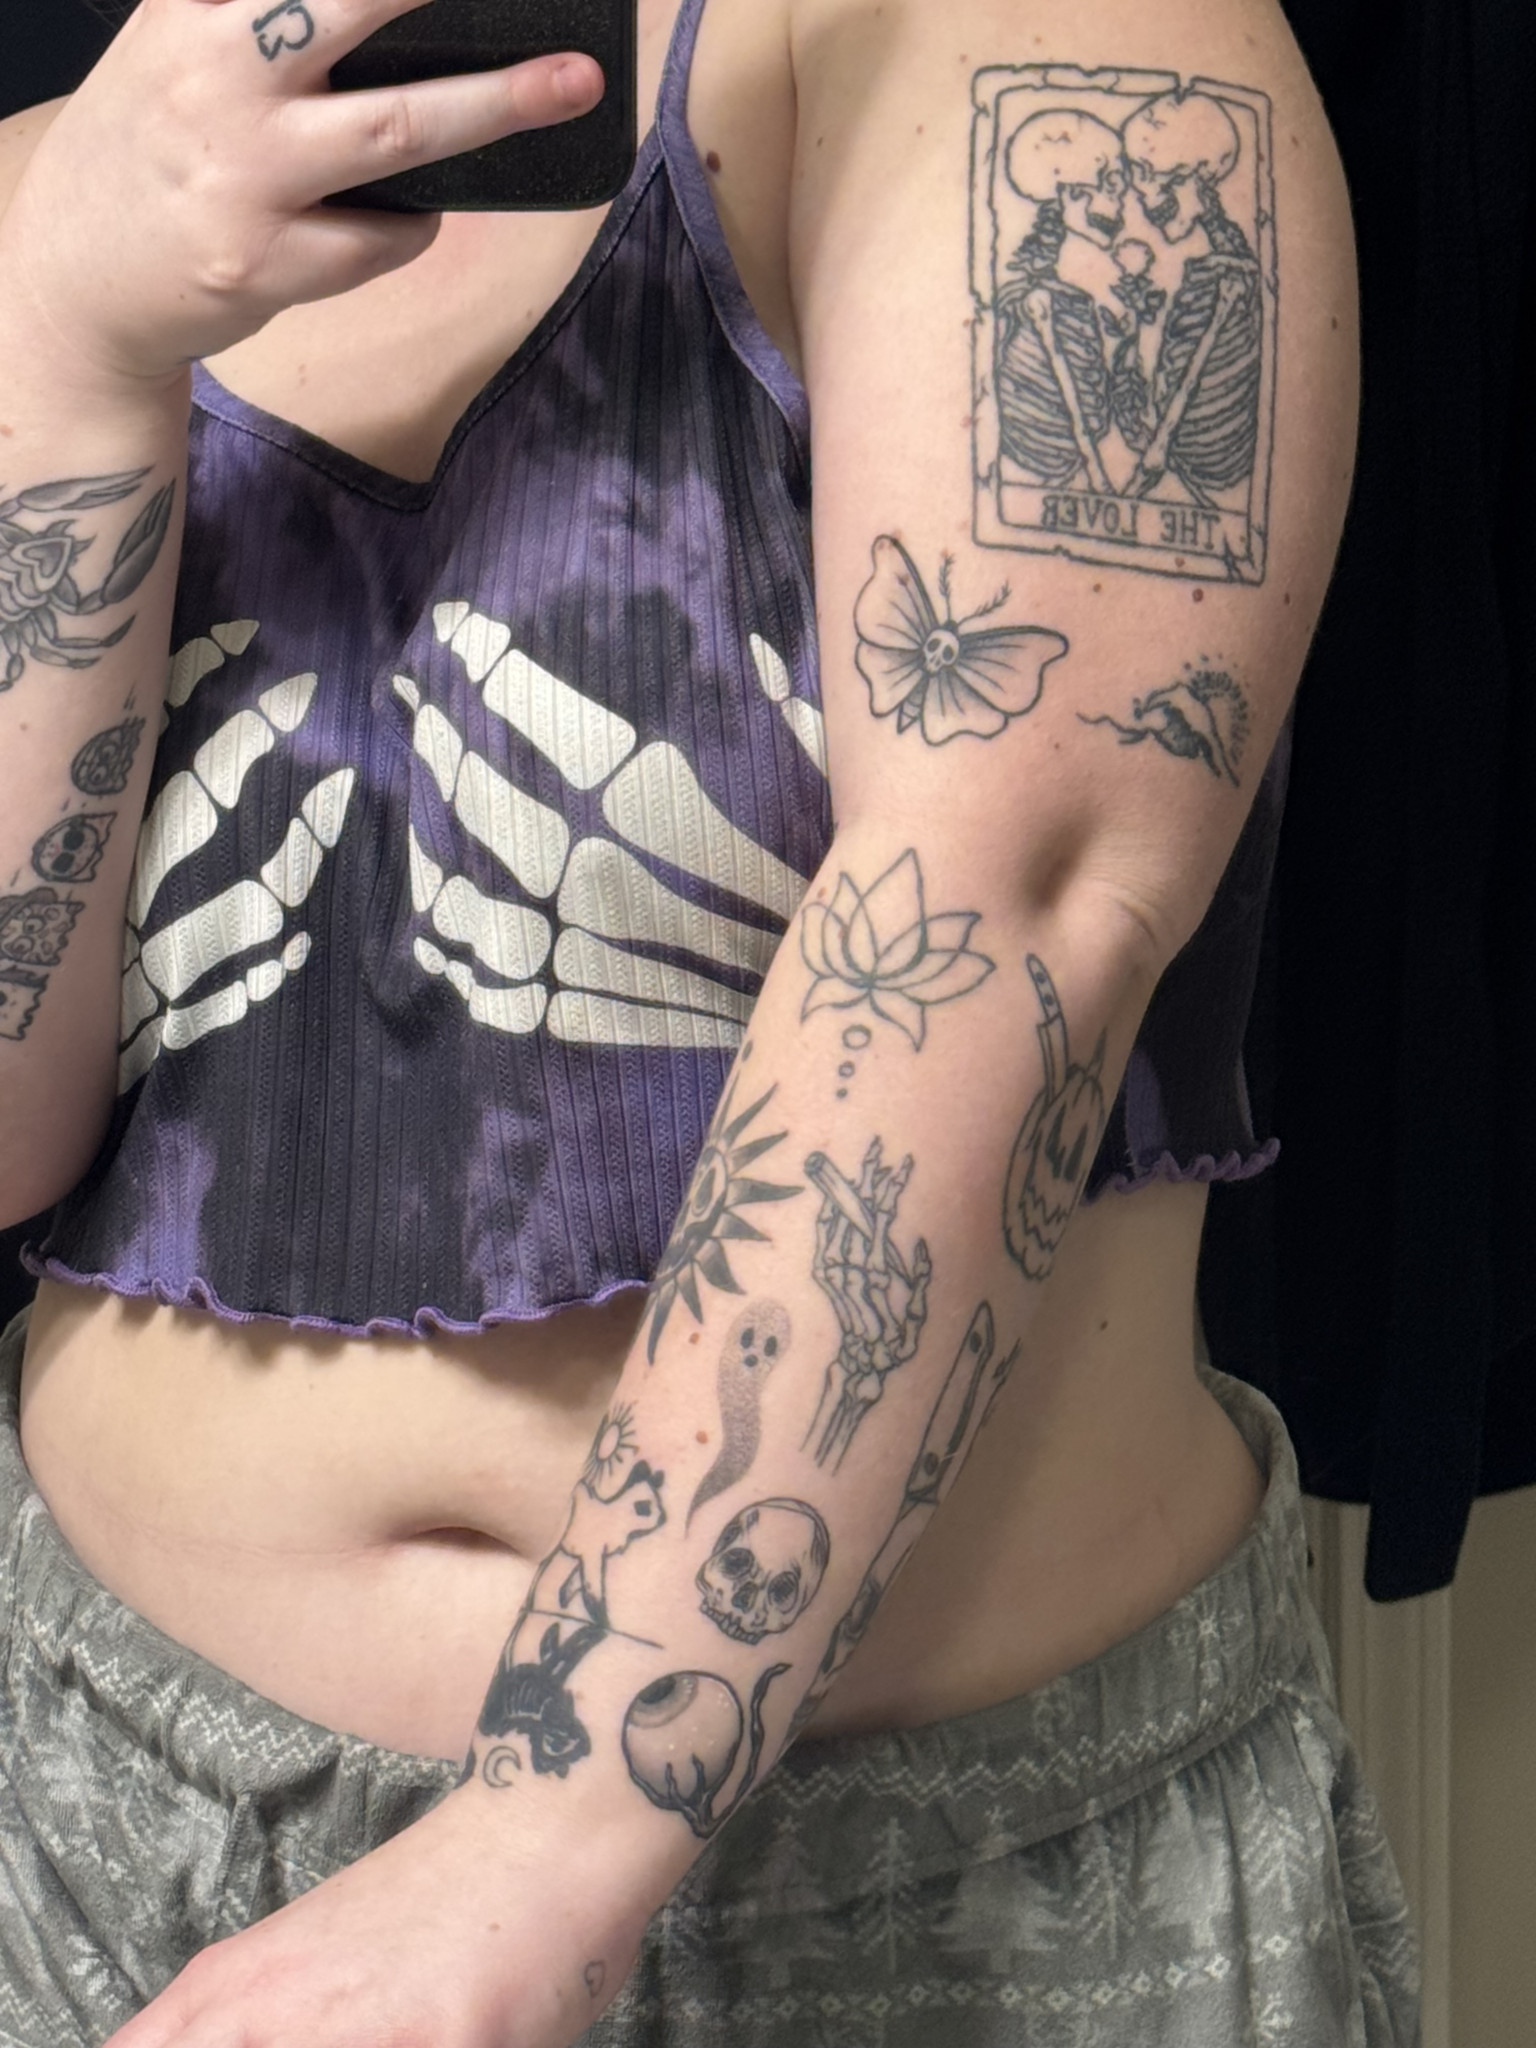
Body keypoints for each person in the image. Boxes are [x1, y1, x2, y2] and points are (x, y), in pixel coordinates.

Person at [0, 1, 1417, 2043]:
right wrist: (67, 339)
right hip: (100, 1816)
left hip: (918, 1904)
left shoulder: (1077, 60)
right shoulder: (83, 153)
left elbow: (1025, 899)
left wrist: (535, 1854)